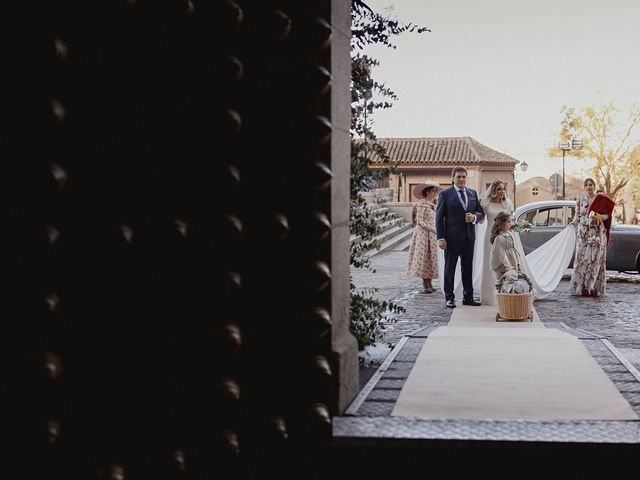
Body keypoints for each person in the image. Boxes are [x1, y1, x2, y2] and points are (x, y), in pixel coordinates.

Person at [436, 166, 485, 308]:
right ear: (453, 178)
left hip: (469, 237)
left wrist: (474, 217)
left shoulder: (472, 193)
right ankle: (449, 297)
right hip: (451, 238)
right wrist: (441, 237)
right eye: (459, 177)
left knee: (468, 268)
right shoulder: (445, 194)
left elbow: (481, 213)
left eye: (464, 176)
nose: (462, 179)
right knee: (449, 268)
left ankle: (468, 297)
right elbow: (439, 218)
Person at [569, 179, 615, 297]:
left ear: (594, 186)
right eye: (586, 185)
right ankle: (582, 288)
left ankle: (594, 288)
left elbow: (608, 216)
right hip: (583, 234)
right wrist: (572, 224)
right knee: (582, 260)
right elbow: (577, 216)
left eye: (591, 185)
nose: (589, 187)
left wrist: (599, 217)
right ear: (584, 187)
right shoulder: (580, 200)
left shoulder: (601, 199)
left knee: (595, 260)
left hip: (597, 234)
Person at [479, 180, 513, 305]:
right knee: (489, 265)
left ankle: (506, 294)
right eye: (499, 189)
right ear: (493, 190)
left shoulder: (508, 203)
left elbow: (510, 220)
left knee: (505, 264)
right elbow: (480, 219)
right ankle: (489, 297)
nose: (502, 191)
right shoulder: (485, 203)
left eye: (503, 189)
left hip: (504, 236)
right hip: (490, 236)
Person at [407, 182, 440, 293]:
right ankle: (425, 283)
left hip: (432, 234)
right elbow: (419, 221)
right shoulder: (422, 203)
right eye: (433, 191)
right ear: (427, 192)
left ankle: (430, 282)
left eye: (435, 191)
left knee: (430, 258)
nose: (435, 193)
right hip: (423, 234)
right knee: (424, 257)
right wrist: (431, 229)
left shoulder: (432, 205)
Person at [490, 211, 522, 279]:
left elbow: (515, 250)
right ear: (501, 223)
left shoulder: (510, 234)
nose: (511, 224)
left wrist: (518, 263)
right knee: (505, 282)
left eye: (511, 222)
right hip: (504, 266)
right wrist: (508, 267)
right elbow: (500, 254)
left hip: (513, 261)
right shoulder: (499, 238)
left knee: (513, 280)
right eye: (508, 222)